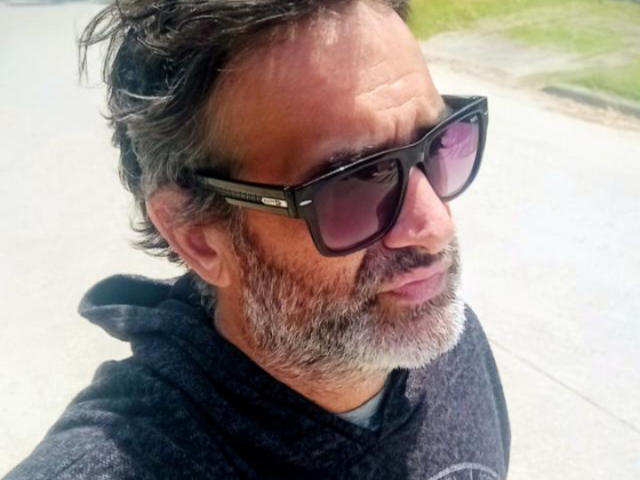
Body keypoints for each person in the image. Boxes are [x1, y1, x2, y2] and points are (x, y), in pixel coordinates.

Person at [5, 0, 509, 478]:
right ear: (197, 237)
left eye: (438, 144)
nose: (435, 225)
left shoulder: (443, 339)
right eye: (356, 181)